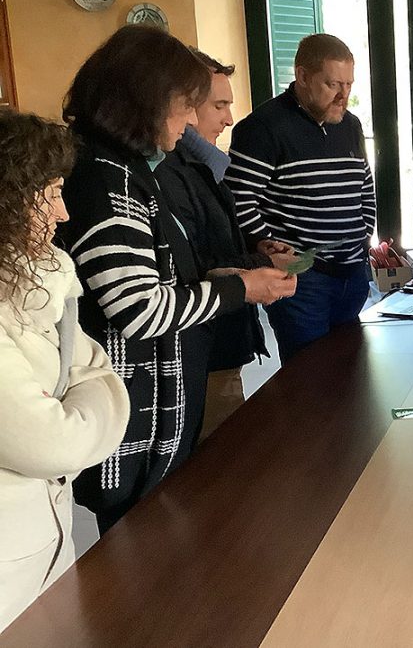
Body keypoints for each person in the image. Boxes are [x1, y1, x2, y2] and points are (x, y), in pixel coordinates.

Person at [57, 26, 296, 532]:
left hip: (157, 421)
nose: (192, 119)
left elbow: (155, 274)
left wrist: (225, 273)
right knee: (139, 567)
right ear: (145, 100)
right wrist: (240, 288)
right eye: (187, 104)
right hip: (131, 431)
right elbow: (137, 309)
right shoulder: (104, 180)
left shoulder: (133, 170)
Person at [0, 111, 129, 630]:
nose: (63, 212)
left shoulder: (43, 280)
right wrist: (86, 402)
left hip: (48, 536)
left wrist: (87, 391)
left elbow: (96, 369)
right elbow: (53, 445)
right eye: (48, 193)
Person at [158, 49, 296, 441]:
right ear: (183, 105)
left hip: (223, 340)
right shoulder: (170, 174)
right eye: (219, 105)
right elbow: (194, 267)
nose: (228, 118)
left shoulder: (207, 166)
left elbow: (214, 245)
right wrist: (252, 266)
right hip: (203, 348)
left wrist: (260, 253)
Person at [226, 33, 376, 362]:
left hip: (352, 275)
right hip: (304, 280)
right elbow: (237, 199)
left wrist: (365, 235)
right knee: (308, 380)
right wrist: (271, 247)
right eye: (333, 84)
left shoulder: (349, 125)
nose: (343, 96)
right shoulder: (263, 129)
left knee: (352, 373)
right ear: (303, 76)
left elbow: (364, 185)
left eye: (349, 84)